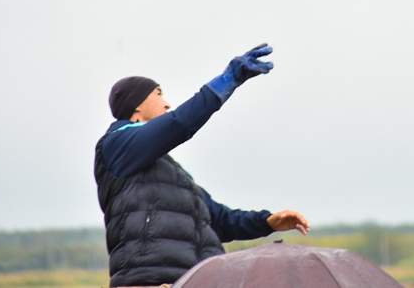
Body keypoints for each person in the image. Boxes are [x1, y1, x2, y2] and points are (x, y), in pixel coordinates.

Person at [94, 44, 310, 288]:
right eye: (158, 94)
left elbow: (218, 219)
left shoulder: (173, 173)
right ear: (137, 105)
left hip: (196, 281)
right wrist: (228, 80)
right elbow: (179, 124)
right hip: (152, 283)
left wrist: (267, 222)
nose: (167, 103)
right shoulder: (116, 145)